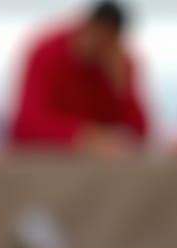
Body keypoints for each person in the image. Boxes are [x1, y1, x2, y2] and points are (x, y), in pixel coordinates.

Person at [10, 1, 149, 155]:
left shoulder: (120, 64)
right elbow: (26, 124)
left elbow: (140, 133)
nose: (99, 45)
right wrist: (81, 135)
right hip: (46, 159)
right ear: (85, 27)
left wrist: (122, 90)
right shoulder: (47, 52)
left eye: (107, 40)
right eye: (97, 35)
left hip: (100, 167)